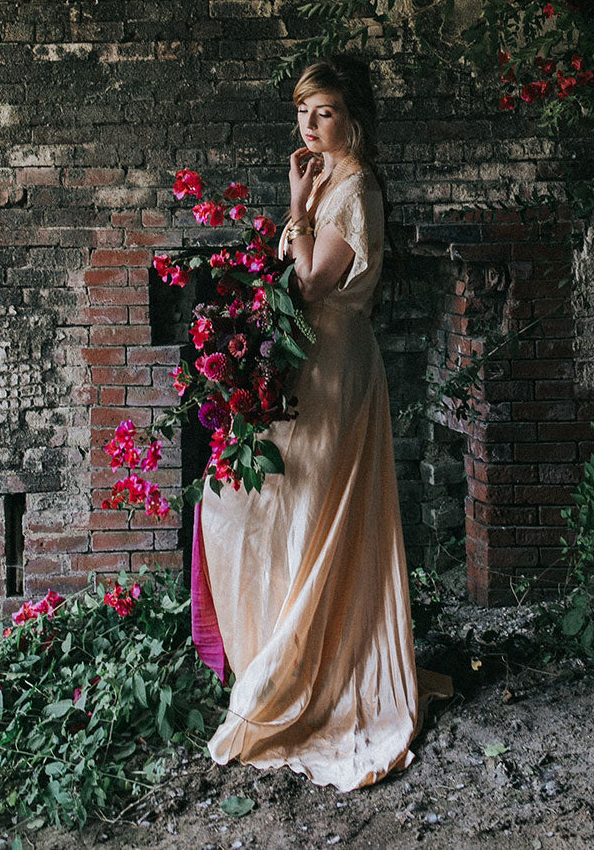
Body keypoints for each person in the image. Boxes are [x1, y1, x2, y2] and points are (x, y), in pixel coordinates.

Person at [191, 52, 451, 792]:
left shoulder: (356, 187)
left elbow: (309, 281)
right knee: (267, 501)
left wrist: (299, 212)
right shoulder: (323, 177)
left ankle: (315, 672)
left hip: (334, 360)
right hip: (309, 357)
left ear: (352, 117)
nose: (309, 123)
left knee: (310, 507)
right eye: (302, 110)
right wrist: (299, 205)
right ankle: (282, 649)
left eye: (324, 110)